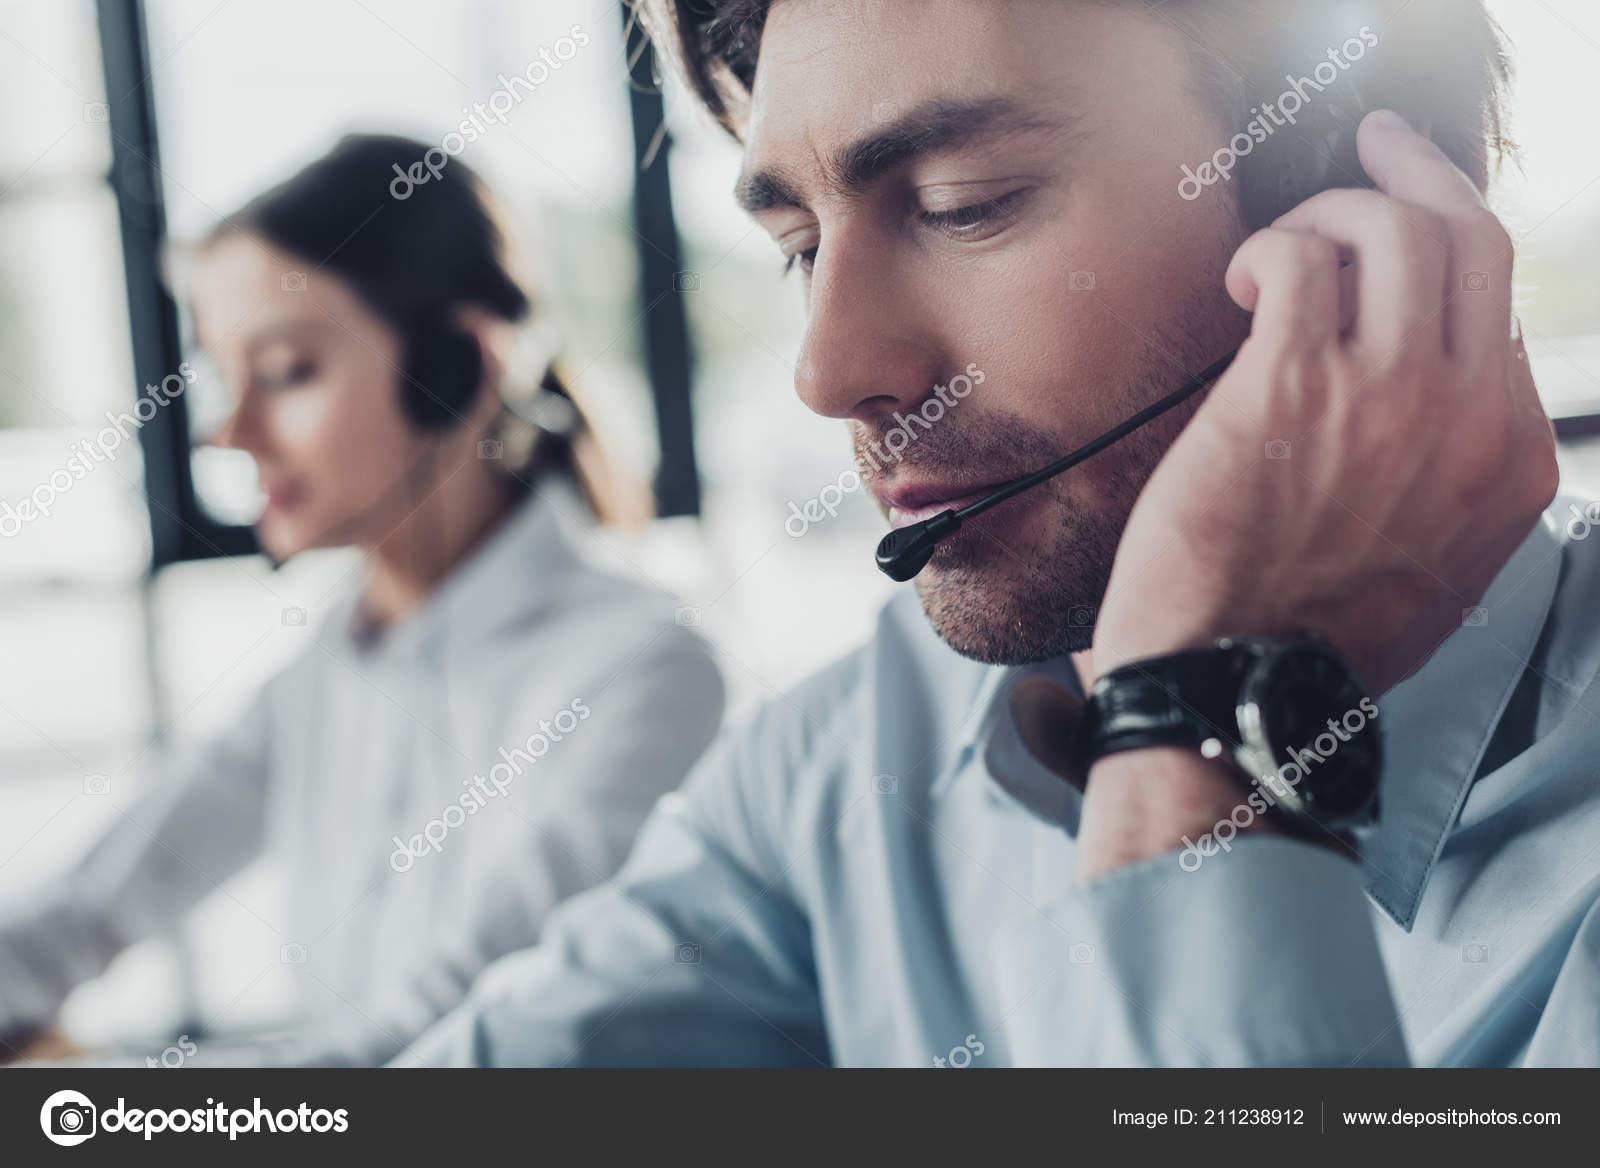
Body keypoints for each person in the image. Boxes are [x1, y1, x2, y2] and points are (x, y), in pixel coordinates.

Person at [394, 0, 1600, 1069]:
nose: (827, 369)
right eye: (799, 252)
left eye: (961, 206)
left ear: (1356, 222)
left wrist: (1195, 728)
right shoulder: (848, 761)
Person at [0, 135, 724, 1066]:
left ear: (456, 368)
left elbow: (433, 1050)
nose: (229, 431)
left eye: (289, 371)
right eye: (225, 376)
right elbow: (91, 899)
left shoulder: (643, 669)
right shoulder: (325, 670)